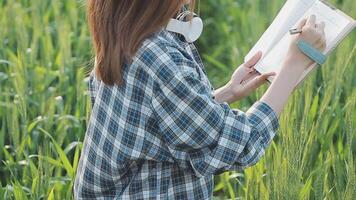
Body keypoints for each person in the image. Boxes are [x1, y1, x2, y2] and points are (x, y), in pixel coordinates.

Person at [74, 0, 326, 199]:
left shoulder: (130, 36)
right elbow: (241, 144)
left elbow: (154, 121)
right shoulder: (161, 58)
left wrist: (224, 94)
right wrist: (294, 63)